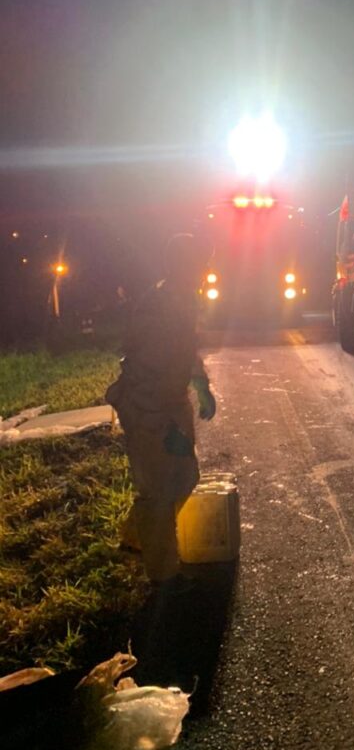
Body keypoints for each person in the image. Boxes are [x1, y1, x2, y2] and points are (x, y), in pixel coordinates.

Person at [106, 233, 216, 587]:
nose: (203, 271)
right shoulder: (159, 306)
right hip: (148, 407)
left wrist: (201, 386)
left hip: (167, 404)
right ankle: (165, 576)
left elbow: (185, 353)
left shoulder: (180, 300)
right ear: (182, 265)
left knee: (184, 477)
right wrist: (167, 424)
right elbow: (152, 370)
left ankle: (137, 538)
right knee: (160, 490)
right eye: (199, 264)